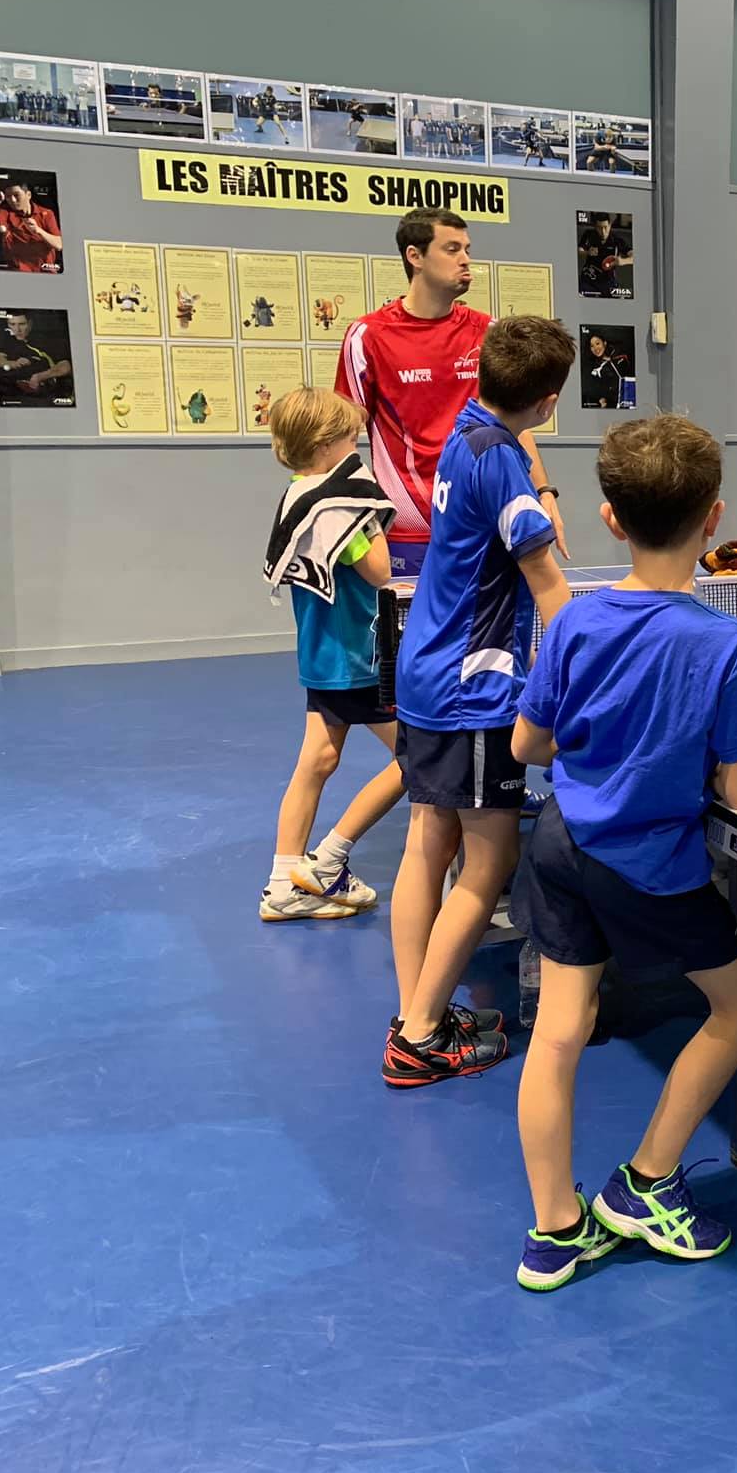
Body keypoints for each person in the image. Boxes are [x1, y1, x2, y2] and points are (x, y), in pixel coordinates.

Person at [510, 415, 737, 1291]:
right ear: (715, 519)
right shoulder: (729, 646)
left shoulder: (573, 621)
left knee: (559, 1034)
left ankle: (555, 1232)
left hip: (561, 844)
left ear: (609, 518)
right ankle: (646, 1182)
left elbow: (528, 746)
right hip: (650, 870)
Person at [383, 317, 578, 1089]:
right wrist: (597, 670)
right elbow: (548, 583)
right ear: (549, 401)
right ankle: (419, 1037)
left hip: (425, 669)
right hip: (474, 688)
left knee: (428, 843)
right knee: (490, 857)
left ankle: (417, 1014)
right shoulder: (501, 462)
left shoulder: (465, 433)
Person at [337, 210, 566, 577]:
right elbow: (342, 436)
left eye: (467, 249)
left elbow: (513, 424)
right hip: (410, 532)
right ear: (415, 256)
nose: (465, 259)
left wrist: (544, 491)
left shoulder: (489, 332)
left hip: (485, 521)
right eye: (452, 249)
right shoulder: (368, 336)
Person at [259, 387, 404, 921]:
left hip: (321, 654)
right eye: (351, 440)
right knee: (419, 757)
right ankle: (327, 860)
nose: (357, 449)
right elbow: (380, 571)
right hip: (357, 659)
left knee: (317, 760)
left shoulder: (298, 495)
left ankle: (283, 883)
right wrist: (367, 518)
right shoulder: (338, 507)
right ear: (325, 446)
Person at [0, 179, 64, 273]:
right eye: (8, 196)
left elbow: (59, 245)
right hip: (17, 272)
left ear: (28, 195)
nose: (12, 200)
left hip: (45, 272)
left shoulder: (46, 213)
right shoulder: (5, 213)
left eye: (16, 195)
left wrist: (39, 230)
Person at [0, 311, 74, 405]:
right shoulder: (7, 341)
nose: (17, 329)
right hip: (12, 395)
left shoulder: (47, 341)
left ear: (30, 324)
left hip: (45, 396)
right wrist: (13, 363)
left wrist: (40, 376)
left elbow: (66, 367)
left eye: (22, 324)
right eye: (12, 324)